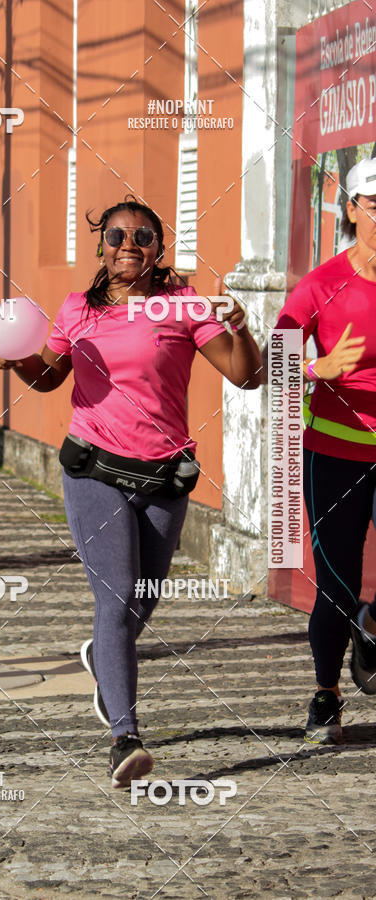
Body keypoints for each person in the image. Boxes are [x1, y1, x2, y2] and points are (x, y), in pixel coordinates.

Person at [0, 198, 262, 787]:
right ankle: (125, 738)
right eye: (116, 235)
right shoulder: (77, 311)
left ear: (158, 248)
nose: (128, 244)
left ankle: (103, 657)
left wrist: (241, 327)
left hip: (164, 476)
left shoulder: (186, 305)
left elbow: (247, 374)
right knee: (115, 601)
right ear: (101, 246)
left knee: (142, 599)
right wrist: (15, 362)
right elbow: (48, 376)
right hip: (94, 470)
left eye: (143, 235)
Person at [274, 157, 376, 744]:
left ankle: (374, 626)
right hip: (334, 452)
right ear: (351, 209)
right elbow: (276, 361)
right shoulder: (321, 284)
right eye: (373, 204)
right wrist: (318, 367)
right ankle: (327, 695)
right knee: (335, 583)